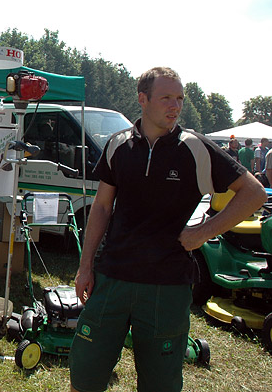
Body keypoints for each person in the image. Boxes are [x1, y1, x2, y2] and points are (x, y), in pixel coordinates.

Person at [69, 67, 266, 392]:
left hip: (167, 285)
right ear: (143, 99)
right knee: (84, 376)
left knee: (160, 384)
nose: (175, 106)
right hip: (112, 278)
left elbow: (254, 193)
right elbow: (102, 207)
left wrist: (204, 232)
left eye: (179, 99)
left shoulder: (195, 147)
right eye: (166, 98)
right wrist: (85, 266)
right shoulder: (118, 145)